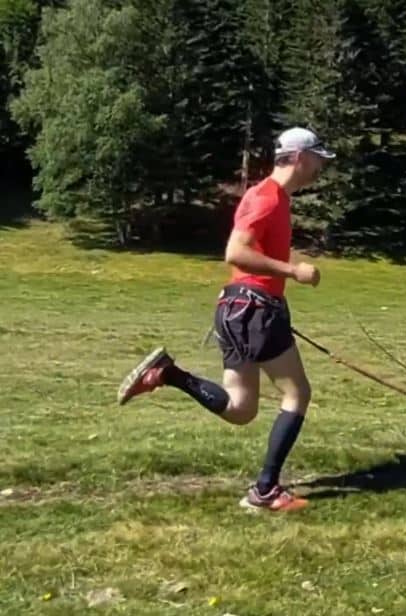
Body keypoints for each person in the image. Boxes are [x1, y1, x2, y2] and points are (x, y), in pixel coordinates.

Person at [116, 127, 335, 513]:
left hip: (239, 310)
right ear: (300, 158)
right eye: (319, 159)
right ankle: (265, 491)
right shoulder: (267, 198)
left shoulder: (275, 199)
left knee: (240, 408)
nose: (321, 167)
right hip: (255, 310)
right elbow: (235, 252)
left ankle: (168, 374)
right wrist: (292, 271)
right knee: (297, 393)